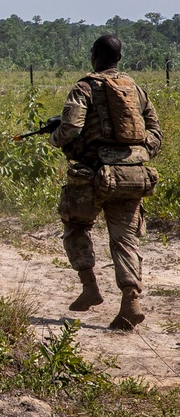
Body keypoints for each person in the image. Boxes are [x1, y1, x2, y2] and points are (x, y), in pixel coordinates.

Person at [49, 35, 162, 330]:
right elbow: (155, 132)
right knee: (125, 240)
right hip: (132, 176)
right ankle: (131, 300)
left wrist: (55, 138)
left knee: (75, 226)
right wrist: (136, 153)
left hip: (90, 175)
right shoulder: (136, 89)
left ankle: (89, 286)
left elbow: (71, 128)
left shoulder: (84, 87)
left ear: (94, 57)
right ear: (119, 59)